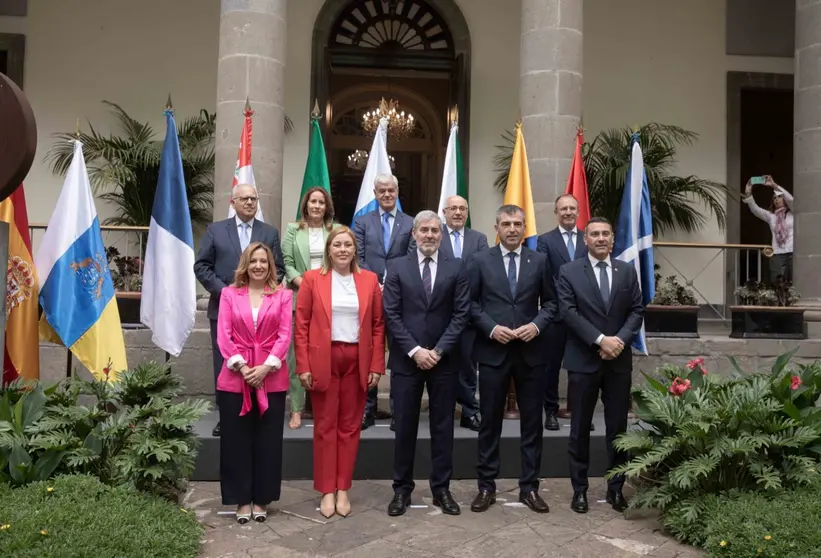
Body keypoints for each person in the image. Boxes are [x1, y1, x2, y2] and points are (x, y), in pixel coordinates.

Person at [467, 204, 557, 514]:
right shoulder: (480, 260)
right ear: (497, 228)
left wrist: (536, 326)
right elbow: (470, 305)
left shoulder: (540, 260)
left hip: (530, 354)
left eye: (518, 224)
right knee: (489, 422)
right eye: (506, 223)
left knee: (532, 424)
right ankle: (486, 487)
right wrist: (491, 329)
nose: (513, 229)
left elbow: (552, 304)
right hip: (493, 352)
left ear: (524, 228)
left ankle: (529, 488)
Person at [382, 210, 470, 517]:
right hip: (408, 362)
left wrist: (439, 350)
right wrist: (416, 351)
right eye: (424, 230)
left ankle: (441, 490)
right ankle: (401, 491)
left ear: (441, 235)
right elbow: (391, 314)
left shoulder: (456, 267)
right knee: (404, 427)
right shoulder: (396, 268)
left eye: (435, 230)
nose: (430, 235)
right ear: (414, 234)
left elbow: (461, 315)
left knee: (443, 428)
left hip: (445, 363)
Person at [294, 226, 385, 518]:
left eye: (348, 245)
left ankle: (343, 487)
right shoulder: (312, 279)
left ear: (355, 250)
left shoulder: (369, 280)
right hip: (325, 357)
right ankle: (326, 490)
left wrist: (376, 364)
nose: (343, 249)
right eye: (337, 245)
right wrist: (303, 365)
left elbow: (378, 324)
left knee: (349, 427)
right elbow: (302, 325)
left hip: (357, 358)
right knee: (324, 427)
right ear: (329, 250)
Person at [556, 217, 644, 514]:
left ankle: (616, 489)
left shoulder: (627, 271)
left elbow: (636, 310)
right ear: (585, 239)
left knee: (617, 428)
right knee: (579, 427)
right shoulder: (568, 271)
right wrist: (599, 340)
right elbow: (568, 312)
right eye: (595, 234)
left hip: (618, 363)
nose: (601, 238)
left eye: (606, 233)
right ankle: (579, 490)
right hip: (583, 361)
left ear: (612, 238)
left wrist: (617, 340)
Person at [194, 183, 285, 437]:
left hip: (261, 314)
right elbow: (201, 266)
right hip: (224, 309)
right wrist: (227, 294)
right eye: (244, 198)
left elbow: (279, 268)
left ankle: (258, 410)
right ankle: (226, 417)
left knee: (259, 361)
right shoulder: (216, 231)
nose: (249, 203)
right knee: (225, 363)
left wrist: (266, 296)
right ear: (233, 202)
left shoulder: (269, 232)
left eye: (253, 199)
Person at [215, 242, 292, 524]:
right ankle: (241, 499)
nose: (259, 266)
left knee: (267, 442)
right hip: (236, 377)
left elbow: (285, 335)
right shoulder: (228, 294)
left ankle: (262, 499)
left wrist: (265, 368)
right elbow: (224, 334)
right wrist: (244, 367)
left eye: (264, 261)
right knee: (236, 441)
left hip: (271, 378)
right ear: (245, 265)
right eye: (254, 261)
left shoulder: (282, 296)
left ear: (271, 266)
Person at [353, 173, 415, 430]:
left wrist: (390, 283)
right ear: (375, 194)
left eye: (391, 190)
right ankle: (368, 410)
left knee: (399, 355)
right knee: (370, 352)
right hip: (368, 294)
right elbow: (358, 255)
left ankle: (399, 412)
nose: (387, 195)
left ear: (397, 191)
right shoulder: (362, 221)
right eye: (382, 191)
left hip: (400, 298)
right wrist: (373, 282)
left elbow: (411, 256)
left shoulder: (411, 223)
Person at [281, 187, 340, 429]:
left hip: (331, 299)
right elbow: (287, 263)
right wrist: (307, 286)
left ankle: (323, 408)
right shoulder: (292, 230)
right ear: (306, 205)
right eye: (313, 202)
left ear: (327, 207)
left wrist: (322, 288)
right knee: (297, 357)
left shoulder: (336, 230)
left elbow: (343, 259)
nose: (317, 206)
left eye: (321, 202)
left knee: (327, 355)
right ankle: (296, 409)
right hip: (299, 297)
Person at [536, 194, 591, 432]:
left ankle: (581, 415)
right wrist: (566, 300)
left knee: (581, 369)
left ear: (578, 212)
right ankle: (550, 412)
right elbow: (546, 277)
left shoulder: (588, 239)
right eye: (563, 209)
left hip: (584, 316)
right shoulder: (545, 240)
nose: (567, 212)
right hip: (556, 316)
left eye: (572, 208)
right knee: (551, 369)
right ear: (556, 213)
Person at [439, 195, 488, 432]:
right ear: (444, 212)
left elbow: (484, 272)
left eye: (462, 208)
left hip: (469, 313)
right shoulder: (434, 235)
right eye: (453, 209)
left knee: (468, 365)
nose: (458, 213)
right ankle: (444, 411)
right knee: (443, 364)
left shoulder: (478, 239)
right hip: (439, 313)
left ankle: (470, 412)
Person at [743, 175, 794, 283]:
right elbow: (755, 209)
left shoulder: (794, 213)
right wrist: (748, 192)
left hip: (793, 252)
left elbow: (790, 199)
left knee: (793, 282)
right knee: (777, 282)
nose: (776, 200)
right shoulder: (771, 216)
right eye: (774, 198)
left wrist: (773, 185)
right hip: (777, 253)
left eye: (779, 197)